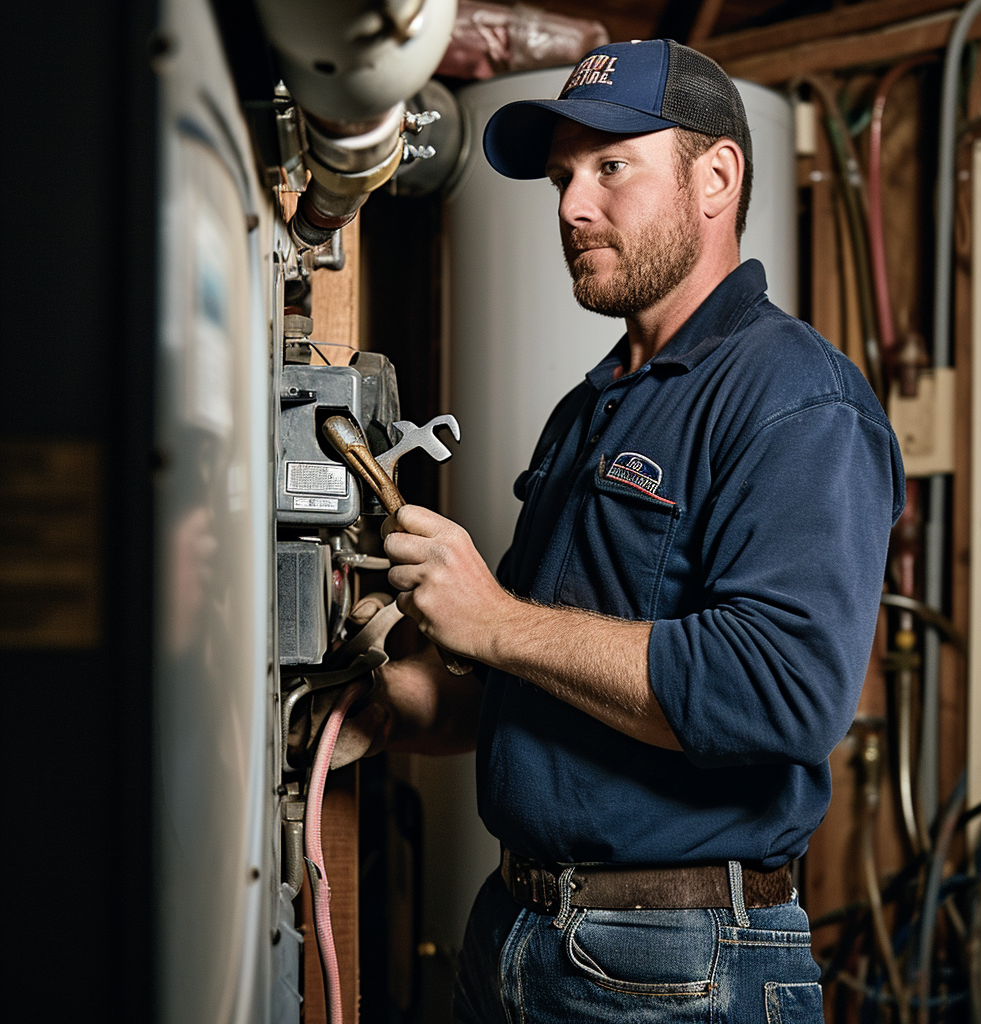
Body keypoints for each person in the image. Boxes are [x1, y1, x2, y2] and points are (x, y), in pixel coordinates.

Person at [342, 38, 905, 1024]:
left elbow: (779, 693)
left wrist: (494, 621)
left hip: (675, 967)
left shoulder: (796, 400)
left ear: (715, 178)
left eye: (610, 166)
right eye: (562, 175)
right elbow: (546, 682)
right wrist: (400, 709)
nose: (570, 205)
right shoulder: (594, 404)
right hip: (516, 930)